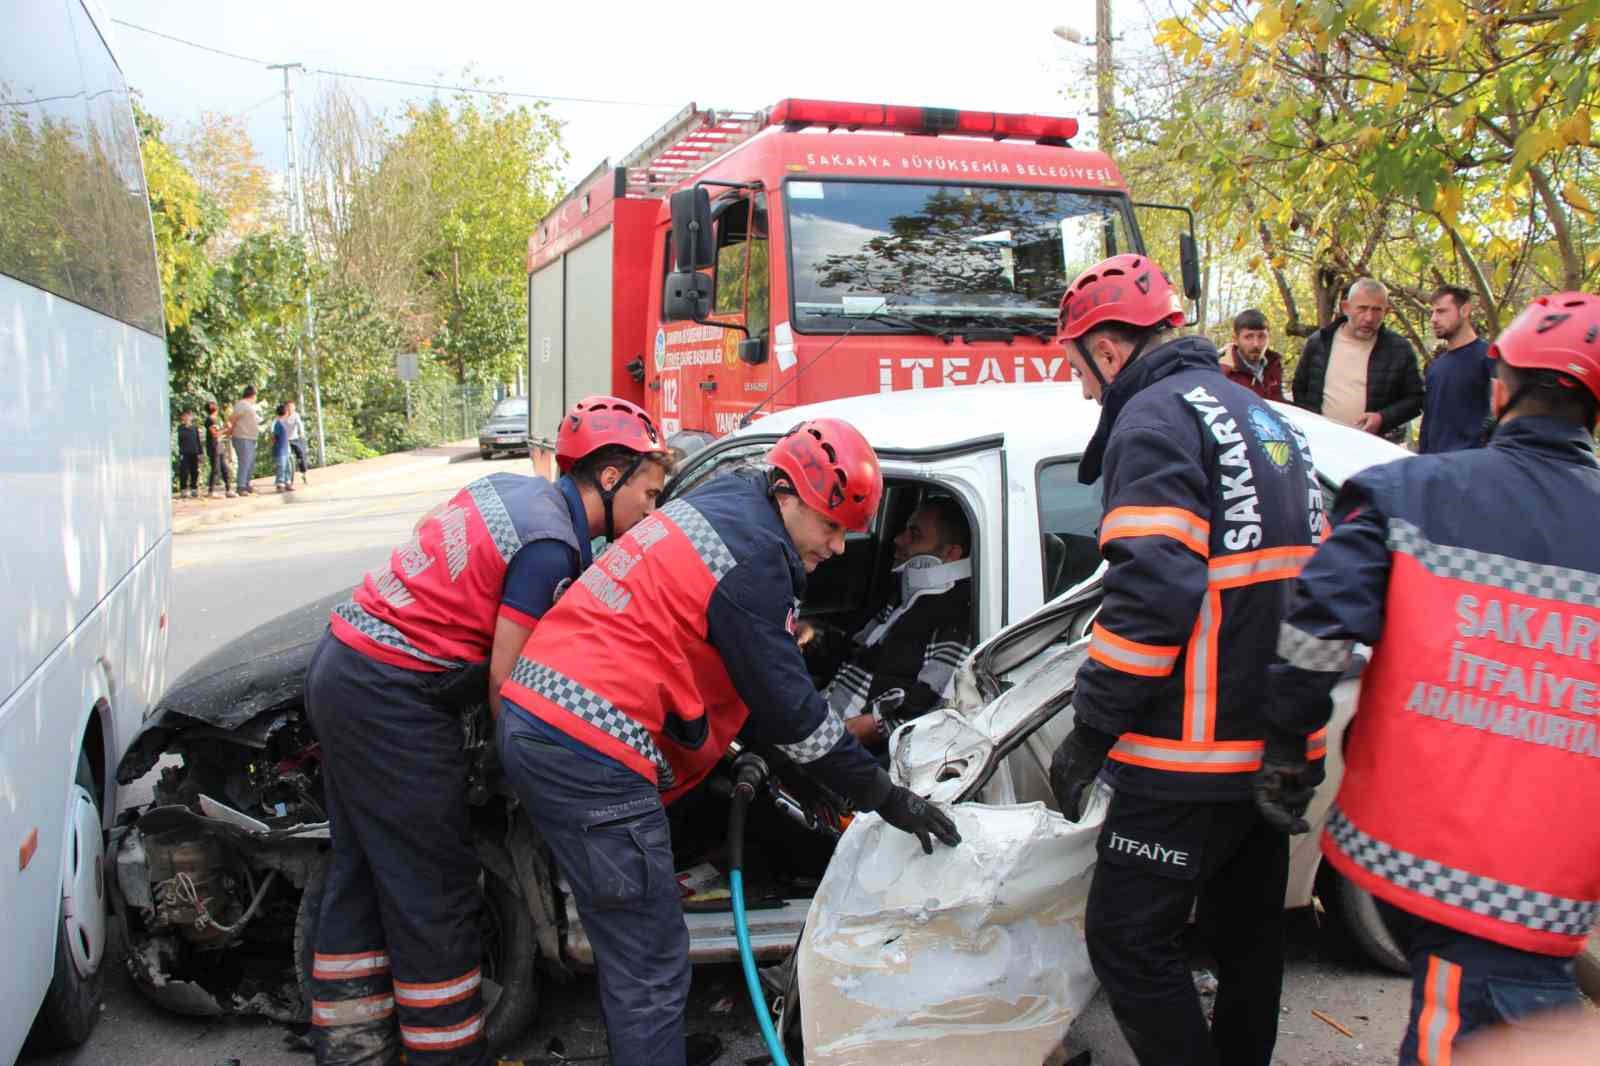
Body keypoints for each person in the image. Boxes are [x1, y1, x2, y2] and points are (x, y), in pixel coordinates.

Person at [496, 417, 962, 1066]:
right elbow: (793, 714)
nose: (837, 548)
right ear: (787, 494)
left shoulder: (726, 502)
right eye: (831, 526)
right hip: (588, 748)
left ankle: (648, 1047)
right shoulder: (754, 560)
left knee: (632, 947)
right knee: (651, 959)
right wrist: (887, 798)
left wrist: (790, 769)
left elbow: (731, 673)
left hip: (545, 716)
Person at [1254, 293, 1600, 1066]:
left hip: (1432, 859)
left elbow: (1316, 634)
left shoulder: (1405, 493)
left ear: (1498, 390)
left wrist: (1289, 756)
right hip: (1559, 877)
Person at [303, 396, 671, 1066]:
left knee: (362, 868)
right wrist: (533, 776)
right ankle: (447, 1054)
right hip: (390, 698)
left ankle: (352, 1046)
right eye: (649, 493)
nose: (653, 511)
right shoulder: (551, 545)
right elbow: (509, 684)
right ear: (611, 476)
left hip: (343, 665)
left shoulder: (510, 490)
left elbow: (432, 541)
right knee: (434, 888)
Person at [1048, 254, 1325, 1066]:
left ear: (1107, 349)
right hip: (1267, 749)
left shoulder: (1152, 422)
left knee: (1126, 941)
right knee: (1247, 943)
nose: (1085, 392)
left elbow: (1153, 593)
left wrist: (1091, 729)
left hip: (1185, 758)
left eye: (1080, 370)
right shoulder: (1264, 417)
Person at [810, 496, 973, 747]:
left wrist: (828, 740)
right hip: (825, 712)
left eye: (914, 535)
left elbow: (930, 709)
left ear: (951, 554)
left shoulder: (956, 620)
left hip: (846, 743)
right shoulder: (903, 598)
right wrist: (814, 635)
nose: (898, 539)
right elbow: (857, 650)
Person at [1291, 278, 1424, 442]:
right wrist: (1311, 424)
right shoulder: (1319, 342)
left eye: (1377, 310)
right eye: (1362, 309)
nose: (1369, 318)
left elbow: (1416, 399)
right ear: (1346, 308)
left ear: (1387, 311)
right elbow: (1299, 388)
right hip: (1321, 440)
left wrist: (1382, 418)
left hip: (1374, 443)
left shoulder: (1398, 349)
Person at [1419, 284, 1493, 453]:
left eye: (1441, 311)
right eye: (1432, 312)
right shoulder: (1436, 367)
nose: (1433, 319)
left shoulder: (1489, 359)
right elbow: (1428, 424)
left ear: (1464, 310)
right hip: (1434, 463)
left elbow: (1500, 420)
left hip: (1471, 463)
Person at [1218, 308, 1285, 401]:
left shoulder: (1274, 365)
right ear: (1235, 339)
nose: (1255, 344)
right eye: (1248, 337)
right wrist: (1225, 368)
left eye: (1261, 336)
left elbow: (1279, 402)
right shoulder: (1223, 372)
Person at [227, 385, 261, 495]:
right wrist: (229, 431)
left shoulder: (250, 406)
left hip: (251, 438)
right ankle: (241, 486)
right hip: (242, 437)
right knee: (245, 462)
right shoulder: (242, 404)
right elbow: (232, 419)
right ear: (253, 394)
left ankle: (246, 484)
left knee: (250, 462)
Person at [203, 400, 233, 498]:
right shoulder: (210, 420)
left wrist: (224, 428)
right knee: (216, 469)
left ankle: (228, 489)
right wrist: (226, 428)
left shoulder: (215, 419)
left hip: (219, 445)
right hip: (213, 446)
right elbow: (215, 434)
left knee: (225, 468)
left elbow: (218, 432)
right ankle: (211, 491)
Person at [176, 410, 202, 498]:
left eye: (189, 416)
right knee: (184, 471)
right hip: (184, 453)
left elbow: (198, 441)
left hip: (194, 452)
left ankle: (194, 489)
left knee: (194, 471)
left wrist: (200, 453)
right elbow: (179, 441)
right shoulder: (180, 428)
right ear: (182, 417)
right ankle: (183, 489)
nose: (187, 417)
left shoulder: (195, 428)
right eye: (185, 416)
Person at [285, 400, 310, 484]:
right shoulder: (282, 415)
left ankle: (304, 474)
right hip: (285, 440)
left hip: (295, 439)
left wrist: (302, 432)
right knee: (285, 458)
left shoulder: (296, 415)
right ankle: (286, 478)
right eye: (289, 407)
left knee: (301, 455)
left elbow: (300, 424)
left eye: (292, 407)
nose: (290, 409)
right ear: (286, 408)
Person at [272, 403, 294, 493]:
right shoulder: (278, 423)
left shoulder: (285, 423)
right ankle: (280, 484)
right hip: (280, 449)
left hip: (286, 448)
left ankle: (287, 482)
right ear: (285, 412)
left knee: (288, 466)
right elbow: (274, 437)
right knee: (281, 467)